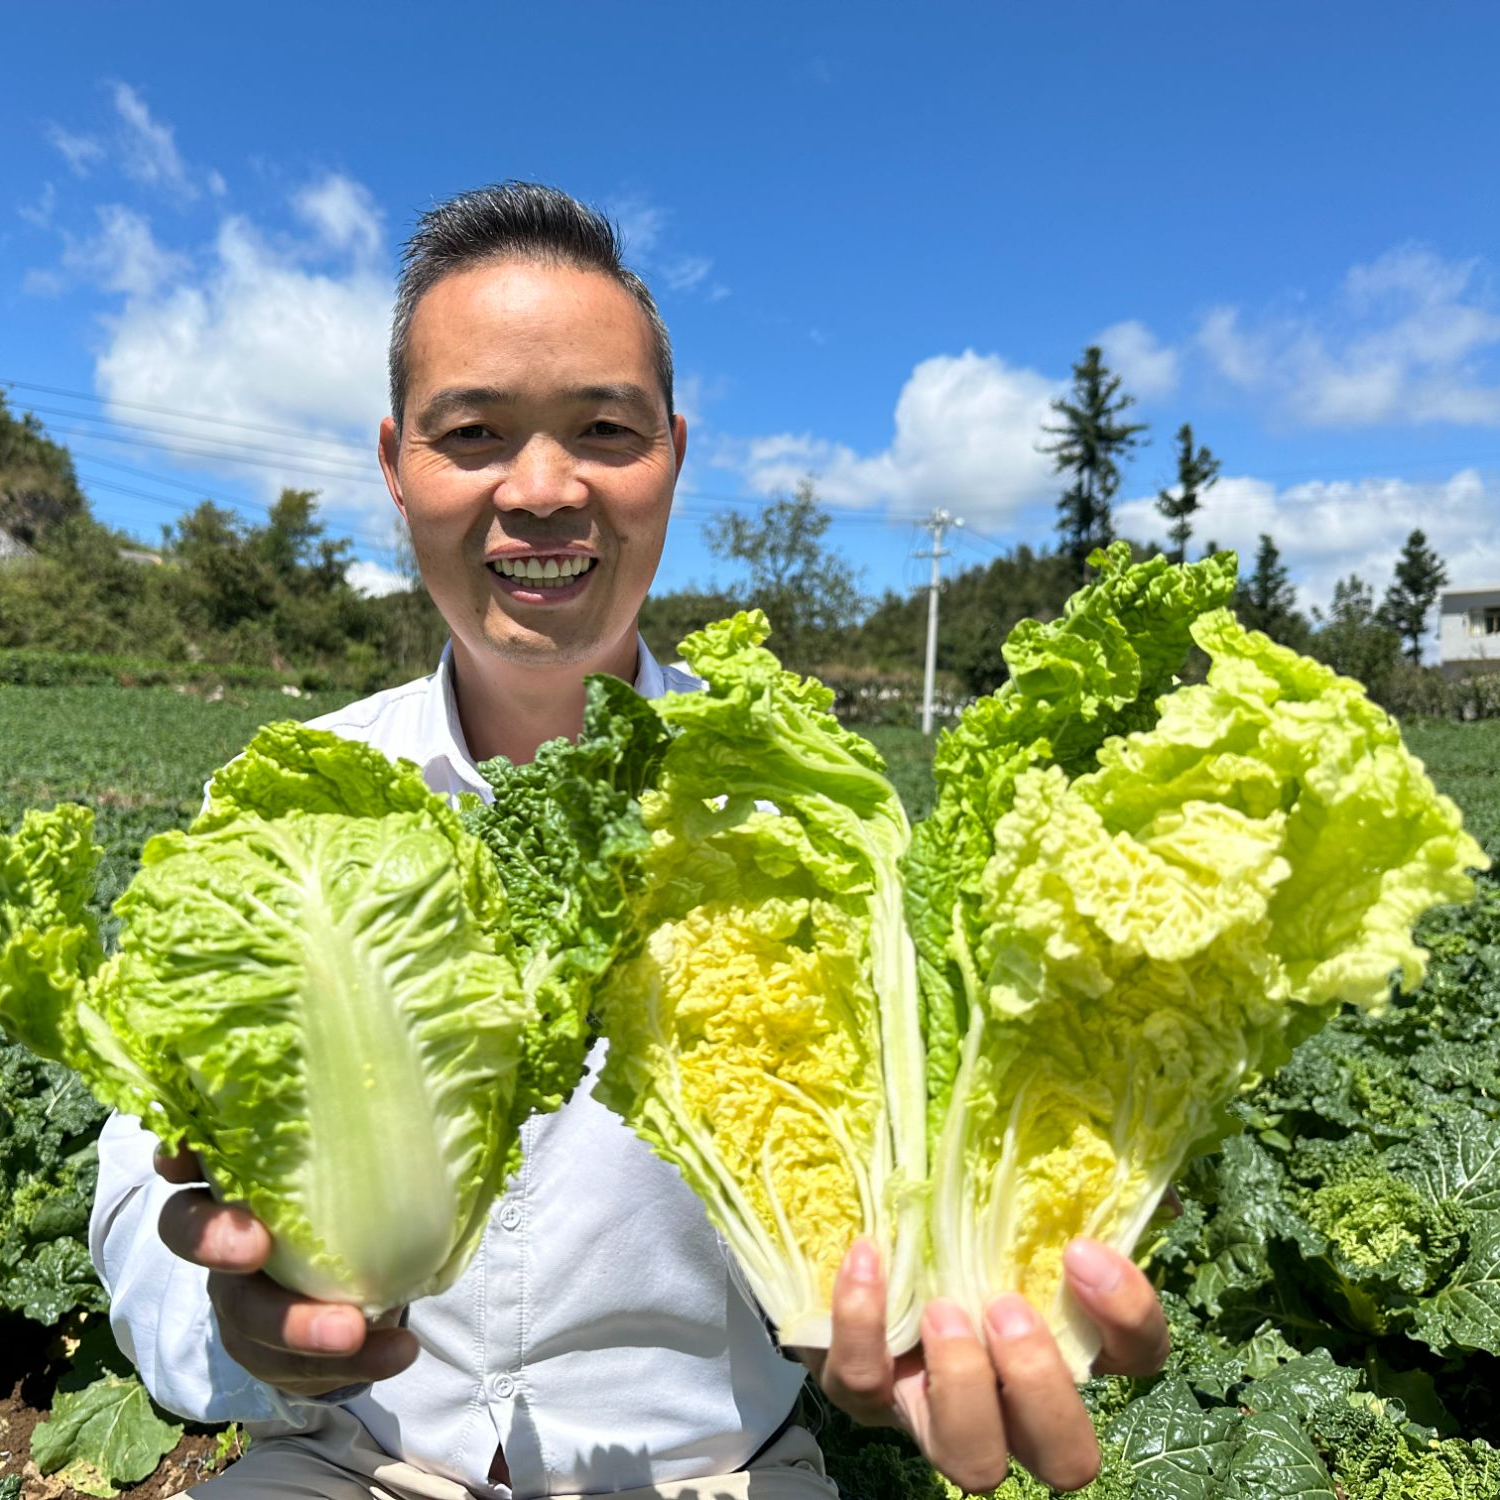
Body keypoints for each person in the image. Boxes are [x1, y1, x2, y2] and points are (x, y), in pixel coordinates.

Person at [89, 182, 1169, 1500]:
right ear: (394, 464)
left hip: (720, 1474)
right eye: (473, 433)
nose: (544, 490)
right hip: (342, 1456)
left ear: (673, 452)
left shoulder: (807, 826)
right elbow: (140, 1188)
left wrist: (914, 1338)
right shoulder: (284, 817)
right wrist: (247, 1330)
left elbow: (895, 1195)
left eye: (605, 429)